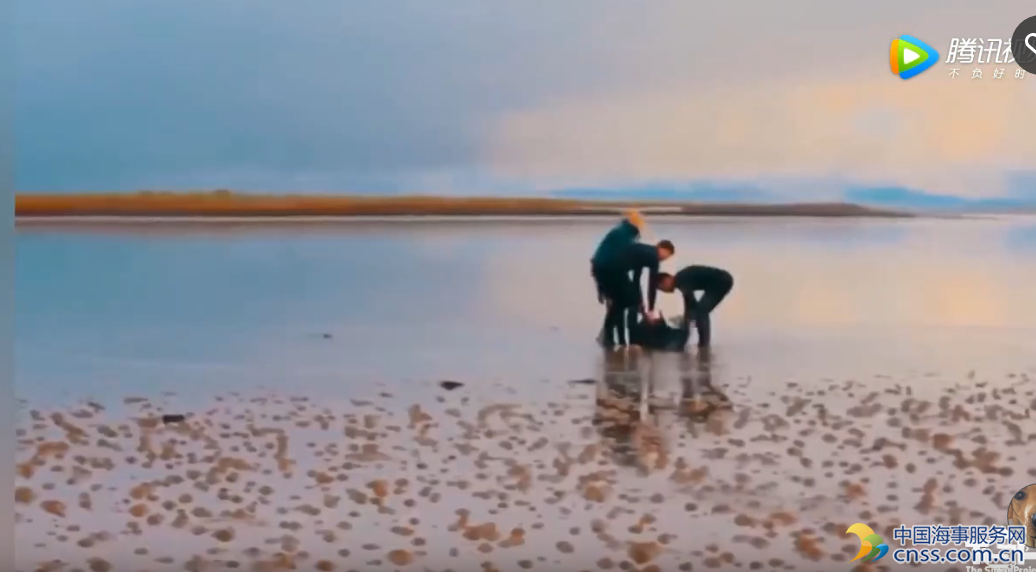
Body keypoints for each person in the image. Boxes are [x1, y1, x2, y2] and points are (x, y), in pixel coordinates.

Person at [593, 236, 675, 348]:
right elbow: (652, 284)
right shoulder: (653, 257)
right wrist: (650, 309)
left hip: (608, 269)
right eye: (667, 256)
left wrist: (639, 298)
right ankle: (625, 341)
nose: (664, 259)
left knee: (622, 305)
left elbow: (636, 279)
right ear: (662, 248)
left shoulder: (643, 252)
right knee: (628, 304)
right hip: (614, 270)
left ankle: (620, 342)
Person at [656, 265, 734, 348]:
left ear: (667, 280)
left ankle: (704, 344)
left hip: (721, 280)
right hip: (722, 280)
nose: (665, 291)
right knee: (699, 312)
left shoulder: (680, 279)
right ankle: (703, 343)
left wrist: (689, 323)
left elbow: (690, 301)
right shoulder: (681, 280)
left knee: (701, 311)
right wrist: (690, 321)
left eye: (662, 288)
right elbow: (689, 304)